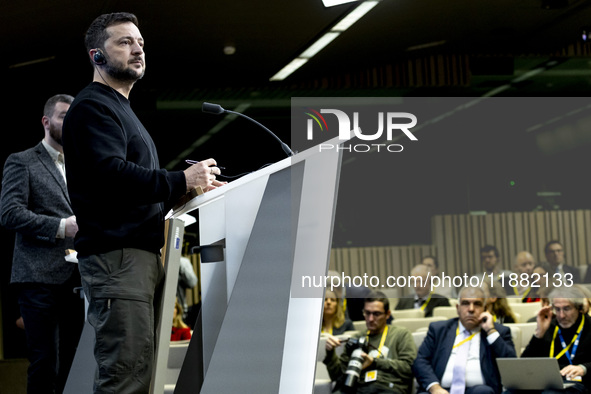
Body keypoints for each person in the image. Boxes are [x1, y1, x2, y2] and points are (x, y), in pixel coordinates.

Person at [61, 12, 224, 393]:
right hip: (119, 259)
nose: (137, 50)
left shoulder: (121, 109)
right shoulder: (92, 108)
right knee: (125, 377)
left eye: (141, 43)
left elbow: (130, 189)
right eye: (124, 42)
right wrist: (180, 178)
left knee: (138, 373)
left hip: (138, 257)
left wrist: (185, 191)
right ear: (96, 56)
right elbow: (110, 176)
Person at [0, 94, 85, 394]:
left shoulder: (81, 165)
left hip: (77, 278)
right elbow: (9, 213)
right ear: (46, 122)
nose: (70, 121)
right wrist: (62, 227)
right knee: (45, 361)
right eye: (64, 116)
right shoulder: (22, 161)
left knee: (76, 361)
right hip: (37, 279)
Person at [412, 286, 517, 394]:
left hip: (478, 391)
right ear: (458, 308)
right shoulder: (439, 330)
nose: (471, 309)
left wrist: (490, 330)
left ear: (485, 309)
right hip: (441, 390)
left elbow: (512, 367)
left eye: (477, 304)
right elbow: (421, 361)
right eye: (466, 303)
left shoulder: (498, 332)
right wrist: (435, 388)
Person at [323, 291, 416, 393]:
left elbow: (409, 368)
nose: (370, 319)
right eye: (367, 313)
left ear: (387, 314)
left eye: (376, 314)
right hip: (358, 387)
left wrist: (374, 362)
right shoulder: (357, 338)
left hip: (386, 387)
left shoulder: (401, 334)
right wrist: (330, 352)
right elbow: (338, 376)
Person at [521, 286, 591, 393]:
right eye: (557, 309)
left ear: (579, 308)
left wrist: (584, 368)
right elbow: (524, 364)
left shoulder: (589, 325)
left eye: (566, 309)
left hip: (578, 382)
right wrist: (539, 334)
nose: (561, 315)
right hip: (546, 381)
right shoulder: (549, 326)